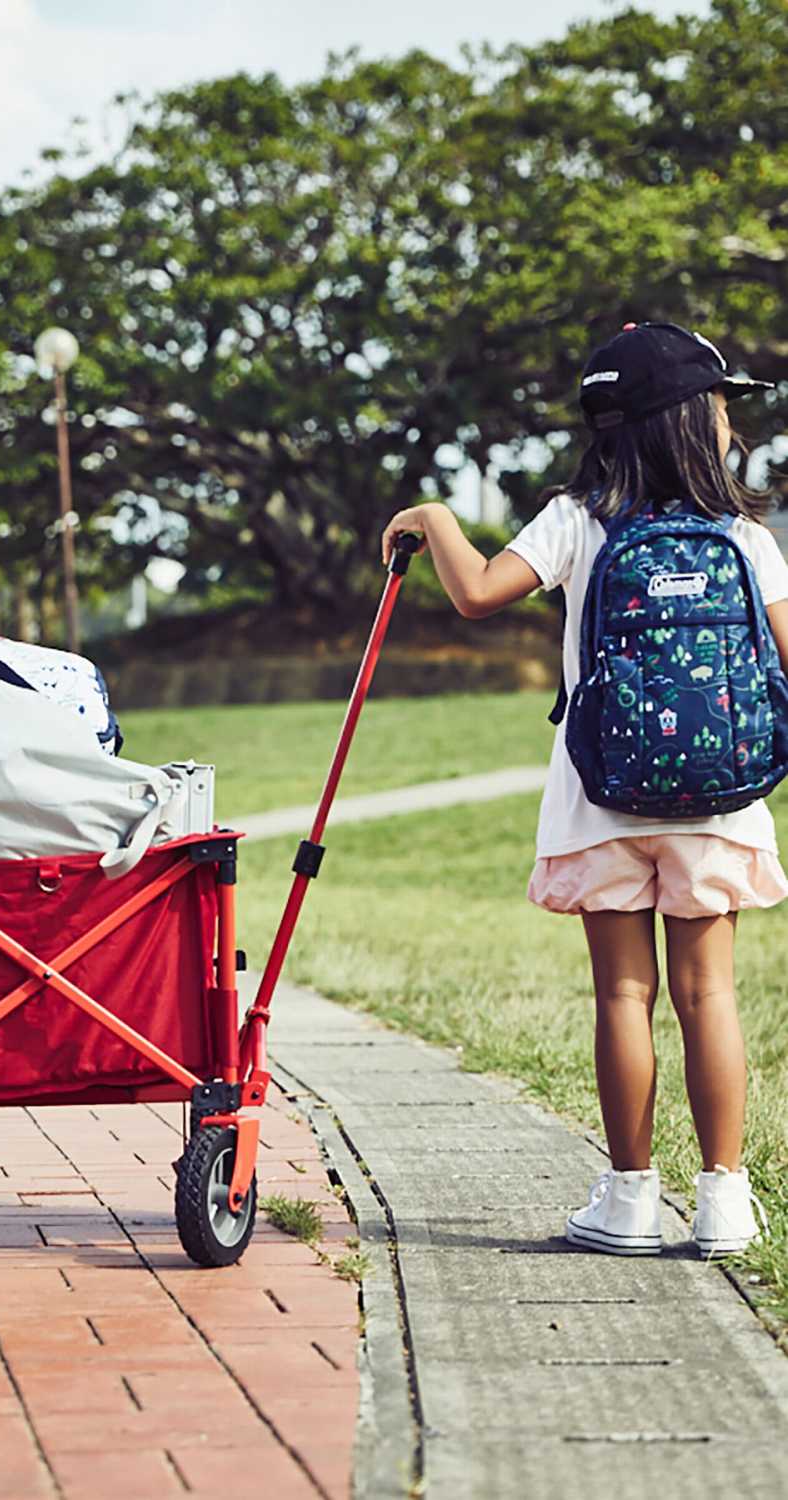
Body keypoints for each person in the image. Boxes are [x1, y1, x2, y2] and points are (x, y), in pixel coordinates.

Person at [380, 322, 782, 1259]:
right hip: (718, 799)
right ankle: (725, 1200)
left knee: (622, 998)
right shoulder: (743, 535)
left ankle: (631, 1198)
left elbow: (478, 593)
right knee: (709, 995)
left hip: (601, 798)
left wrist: (434, 518)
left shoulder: (577, 519)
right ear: (693, 422)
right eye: (722, 405)